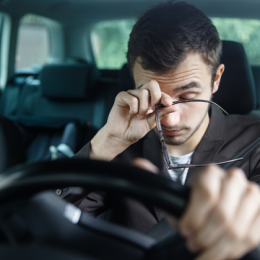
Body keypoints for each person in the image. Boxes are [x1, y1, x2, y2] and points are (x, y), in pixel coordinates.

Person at [65, 2, 260, 259]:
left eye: (188, 96)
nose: (168, 121)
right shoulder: (119, 150)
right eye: (153, 96)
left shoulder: (255, 142)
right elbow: (49, 224)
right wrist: (106, 143)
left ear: (216, 79)